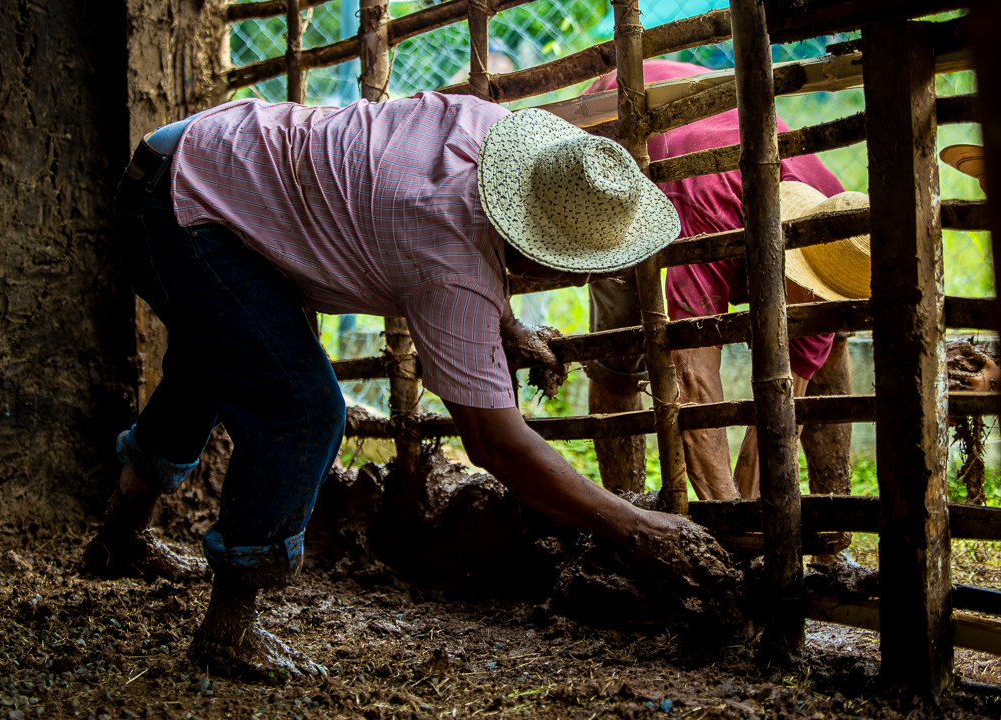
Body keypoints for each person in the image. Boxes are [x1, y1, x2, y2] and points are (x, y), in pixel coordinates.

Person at [84, 91, 740, 678]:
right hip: (183, 210)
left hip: (195, 157)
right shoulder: (449, 259)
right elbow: (496, 443)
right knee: (301, 408)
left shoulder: (495, 135)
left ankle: (120, 537)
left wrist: (502, 320)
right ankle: (228, 629)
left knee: (216, 361)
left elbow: (459, 230)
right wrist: (636, 528)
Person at [584, 60, 865, 503]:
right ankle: (625, 513)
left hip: (724, 161)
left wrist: (755, 512)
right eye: (807, 285)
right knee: (620, 345)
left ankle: (833, 537)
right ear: (782, 263)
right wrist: (729, 521)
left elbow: (784, 408)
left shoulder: (836, 235)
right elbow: (691, 373)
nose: (815, 297)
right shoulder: (706, 210)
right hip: (623, 141)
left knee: (825, 349)